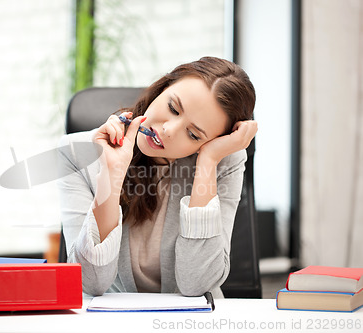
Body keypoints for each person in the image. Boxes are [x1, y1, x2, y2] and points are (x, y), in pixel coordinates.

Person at [57, 56, 257, 298]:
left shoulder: (224, 160)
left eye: (193, 135)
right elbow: (90, 283)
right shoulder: (77, 154)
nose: (169, 130)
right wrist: (111, 173)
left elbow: (197, 283)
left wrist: (208, 161)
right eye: (173, 108)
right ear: (162, 89)